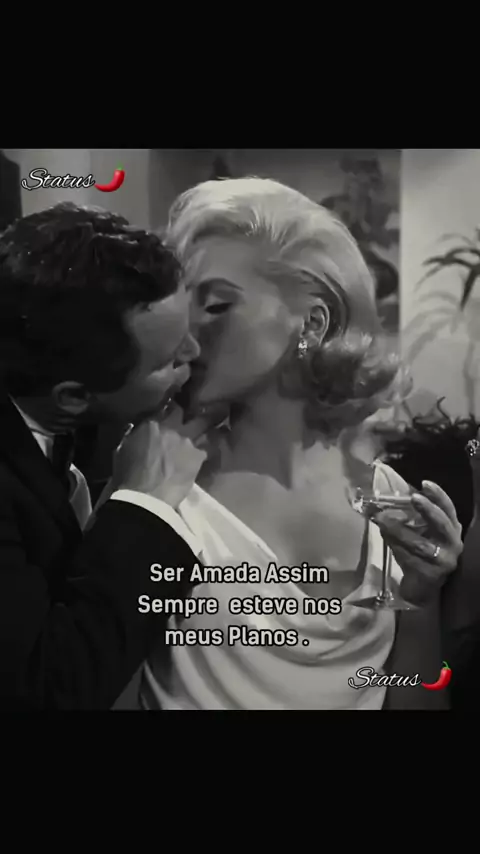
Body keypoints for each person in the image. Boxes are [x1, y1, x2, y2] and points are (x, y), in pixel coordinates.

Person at [138, 178, 462, 711]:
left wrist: (422, 600)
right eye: (181, 307)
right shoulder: (160, 490)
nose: (186, 338)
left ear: (312, 321)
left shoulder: (389, 500)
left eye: (216, 305)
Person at [0, 202, 211, 711]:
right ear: (73, 396)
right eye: (168, 360)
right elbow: (48, 691)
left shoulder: (82, 408)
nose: (195, 352)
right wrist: (145, 503)